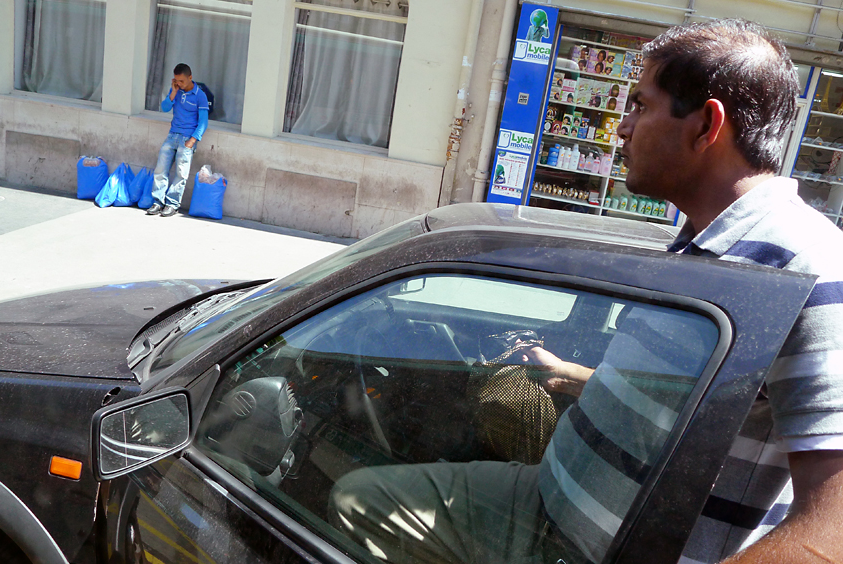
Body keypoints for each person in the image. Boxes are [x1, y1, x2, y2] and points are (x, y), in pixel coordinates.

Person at [329, 18, 843, 564]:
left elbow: (830, 527)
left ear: (705, 126)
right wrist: (574, 377)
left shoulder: (806, 265)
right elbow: (695, 400)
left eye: (641, 106)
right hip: (548, 503)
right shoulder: (701, 244)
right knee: (363, 500)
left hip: (605, 548)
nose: (622, 129)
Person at [147, 63, 209, 217]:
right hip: (172, 135)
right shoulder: (175, 90)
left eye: (181, 81)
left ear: (190, 78)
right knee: (161, 169)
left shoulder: (200, 96)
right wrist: (173, 92)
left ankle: (172, 204)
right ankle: (158, 202)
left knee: (181, 173)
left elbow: (203, 122)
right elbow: (166, 107)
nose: (178, 83)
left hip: (187, 138)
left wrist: (193, 141)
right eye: (176, 80)